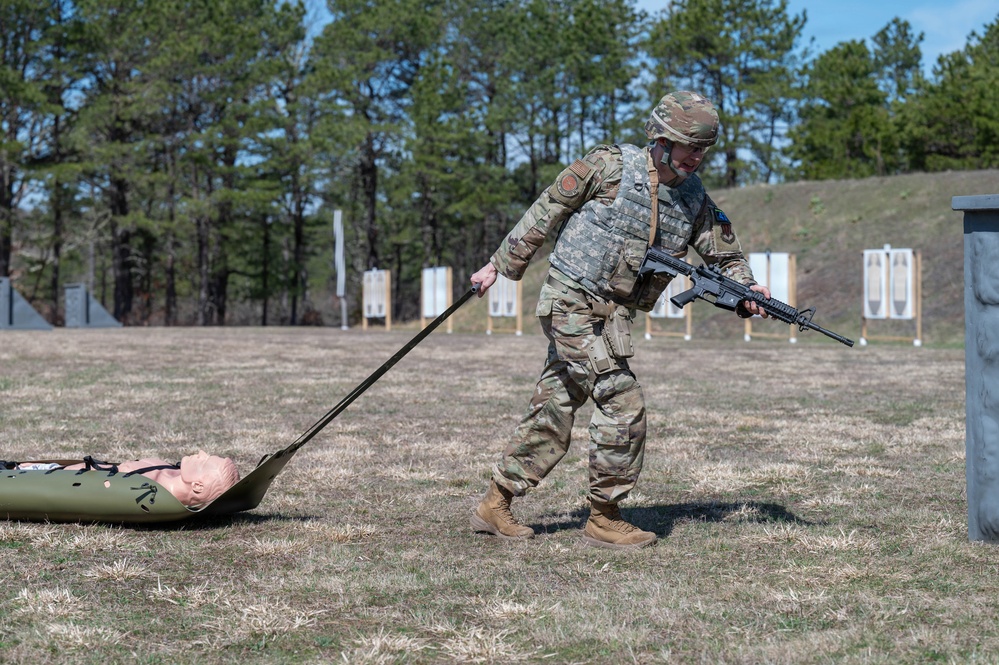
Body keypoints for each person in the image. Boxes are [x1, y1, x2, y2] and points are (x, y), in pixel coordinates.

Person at [469, 90, 771, 550]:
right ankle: (604, 517)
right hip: (569, 301)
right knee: (621, 399)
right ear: (661, 139)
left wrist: (747, 290)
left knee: (556, 404)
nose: (696, 157)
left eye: (703, 149)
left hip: (612, 317)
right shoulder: (609, 165)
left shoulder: (694, 199)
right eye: (689, 146)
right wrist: (499, 265)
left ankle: (495, 503)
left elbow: (725, 255)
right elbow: (548, 208)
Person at [59, 450, 240, 507]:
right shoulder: (172, 472)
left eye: (204, 460)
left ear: (198, 486)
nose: (201, 452)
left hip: (57, 473)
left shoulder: (142, 489)